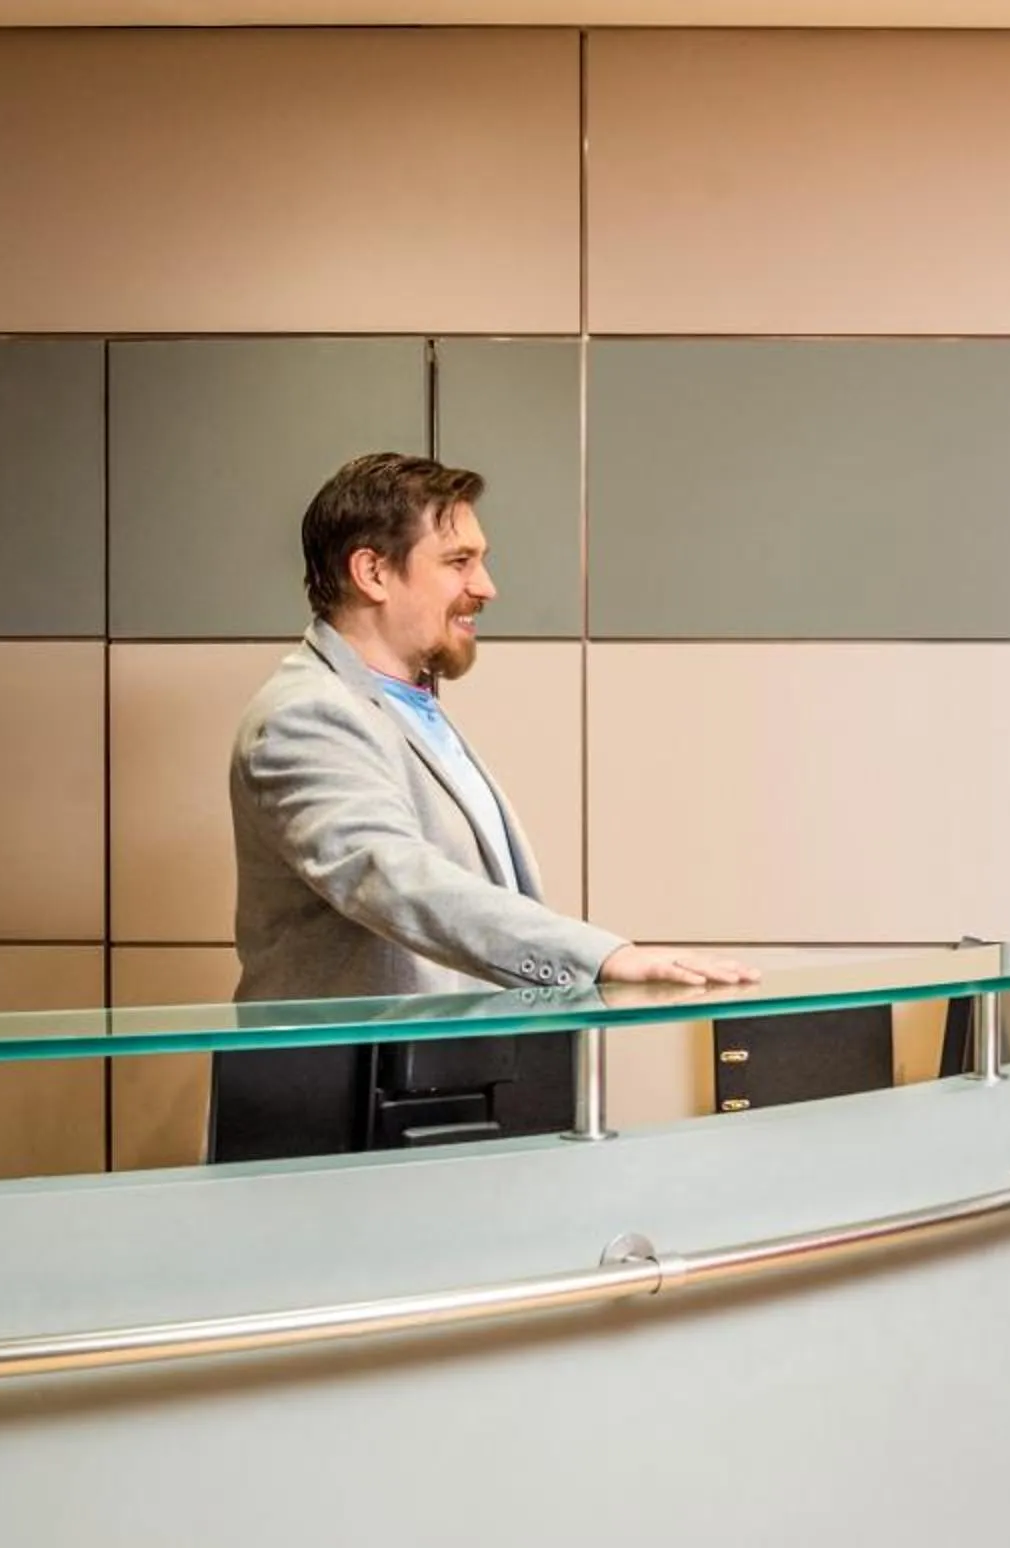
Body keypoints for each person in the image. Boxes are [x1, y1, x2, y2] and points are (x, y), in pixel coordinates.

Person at [215, 453, 750, 1156]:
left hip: (429, 1100)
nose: (486, 587)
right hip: (342, 1116)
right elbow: (394, 877)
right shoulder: (306, 715)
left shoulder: (405, 706)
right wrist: (601, 956)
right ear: (372, 572)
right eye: (459, 561)